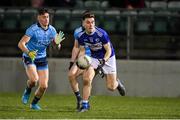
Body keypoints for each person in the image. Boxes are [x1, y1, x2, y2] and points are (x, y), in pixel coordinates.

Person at [76, 10, 126, 112]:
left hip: (108, 58)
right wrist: (80, 60)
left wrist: (103, 60)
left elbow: (108, 50)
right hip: (94, 58)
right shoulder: (81, 36)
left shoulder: (101, 34)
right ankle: (85, 105)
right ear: (83, 23)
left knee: (111, 87)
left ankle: (117, 83)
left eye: (93, 22)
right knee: (86, 79)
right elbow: (82, 50)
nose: (91, 25)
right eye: (88, 22)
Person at [18, 8, 65, 110]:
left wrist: (57, 44)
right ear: (38, 18)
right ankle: (28, 90)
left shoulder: (52, 30)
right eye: (44, 17)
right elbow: (21, 44)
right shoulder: (32, 29)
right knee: (34, 80)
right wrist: (29, 53)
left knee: (44, 86)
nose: (46, 19)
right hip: (30, 57)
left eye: (47, 17)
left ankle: (34, 104)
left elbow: (57, 47)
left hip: (42, 58)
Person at [68, 25, 91, 111]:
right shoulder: (77, 31)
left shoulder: (95, 31)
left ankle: (86, 102)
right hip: (82, 58)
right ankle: (79, 99)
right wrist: (72, 61)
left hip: (93, 58)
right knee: (71, 75)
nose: (89, 24)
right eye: (86, 21)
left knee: (87, 79)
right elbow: (76, 47)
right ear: (83, 21)